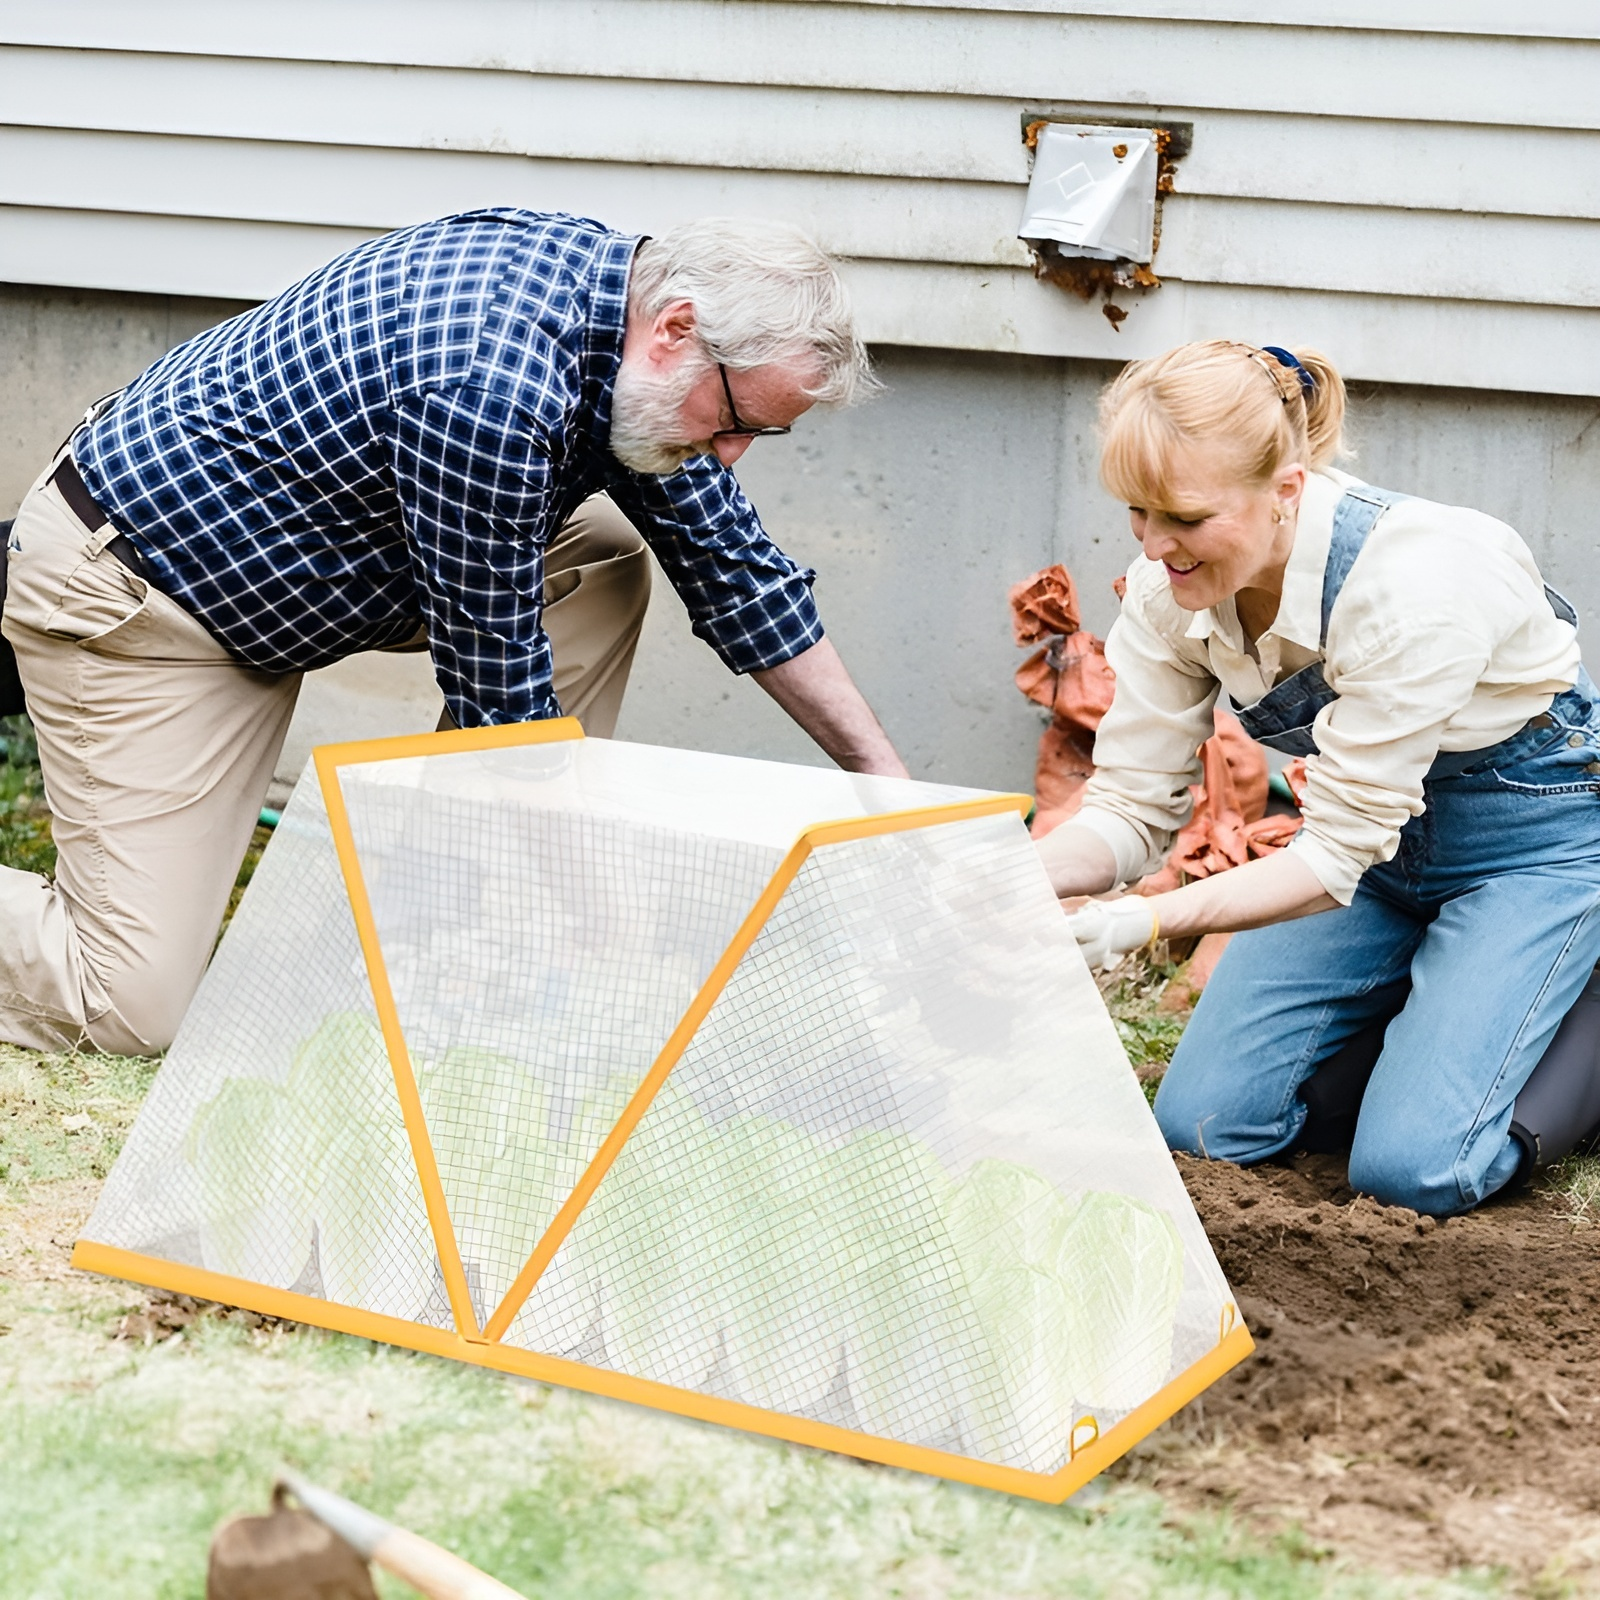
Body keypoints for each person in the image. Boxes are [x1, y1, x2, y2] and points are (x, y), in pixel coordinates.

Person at [0, 208, 908, 1057]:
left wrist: (882, 778)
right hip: (147, 597)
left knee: (602, 555)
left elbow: (737, 570)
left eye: (765, 434)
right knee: (125, 1002)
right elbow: (503, 707)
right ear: (675, 331)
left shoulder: (635, 343)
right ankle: (515, 905)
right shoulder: (490, 382)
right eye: (741, 421)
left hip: (292, 577)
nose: (735, 453)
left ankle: (433, 931)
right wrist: (607, 917)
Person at [1040, 339, 1600, 1217]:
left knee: (1415, 1171)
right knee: (1203, 1125)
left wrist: (1140, 921)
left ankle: (1562, 1004)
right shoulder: (1167, 592)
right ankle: (1444, 1014)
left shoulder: (1417, 582)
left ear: (1286, 492)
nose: (1154, 547)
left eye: (1182, 516)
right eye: (1136, 513)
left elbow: (1330, 858)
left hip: (1534, 844)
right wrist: (1015, 884)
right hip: (1380, 852)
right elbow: (1128, 805)